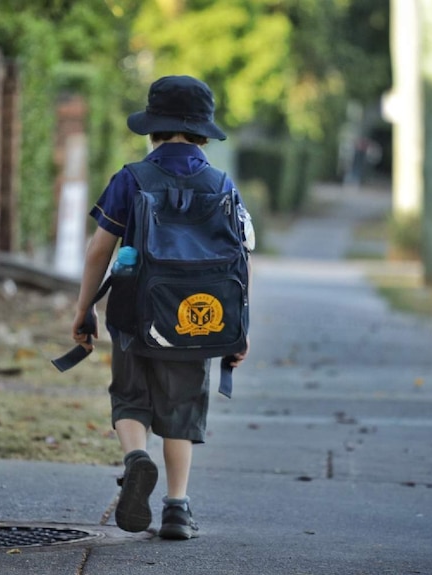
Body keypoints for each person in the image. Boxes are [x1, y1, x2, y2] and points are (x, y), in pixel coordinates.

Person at [70, 75, 253, 540]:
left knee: (130, 396)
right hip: (201, 314)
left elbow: (98, 251)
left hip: (134, 311)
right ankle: (177, 508)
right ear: (203, 134)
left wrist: (84, 308)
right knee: (182, 407)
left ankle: (135, 458)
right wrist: (239, 329)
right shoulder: (221, 183)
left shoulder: (131, 178)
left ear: (152, 130)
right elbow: (239, 258)